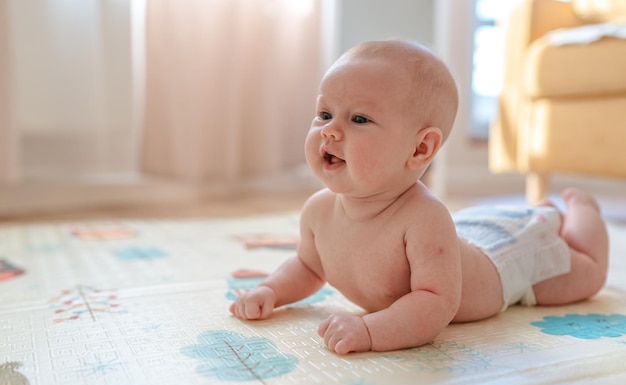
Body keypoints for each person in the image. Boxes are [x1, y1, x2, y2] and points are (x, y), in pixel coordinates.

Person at [229, 40, 609, 355]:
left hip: (509, 262)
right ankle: (538, 212)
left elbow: (434, 304)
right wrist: (271, 290)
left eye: (358, 119)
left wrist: (370, 330)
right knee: (502, 227)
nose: (330, 131)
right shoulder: (318, 210)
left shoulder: (425, 218)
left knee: (586, 274)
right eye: (325, 113)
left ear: (421, 149)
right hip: (467, 238)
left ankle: (581, 210)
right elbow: (309, 268)